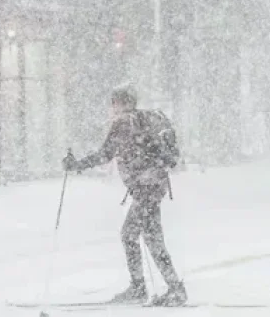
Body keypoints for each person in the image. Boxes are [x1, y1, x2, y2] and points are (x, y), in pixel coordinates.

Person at [62, 84, 187, 307]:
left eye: (114, 103)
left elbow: (105, 154)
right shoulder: (147, 119)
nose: (112, 107)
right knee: (135, 235)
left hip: (145, 188)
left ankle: (170, 289)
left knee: (146, 238)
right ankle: (146, 287)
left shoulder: (123, 123)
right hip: (154, 185)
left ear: (119, 103)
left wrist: (77, 165)